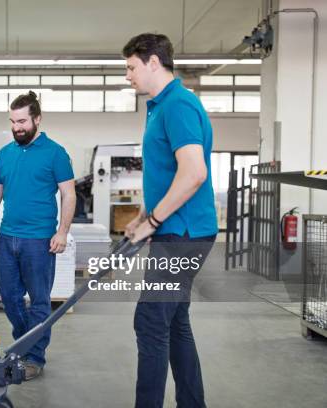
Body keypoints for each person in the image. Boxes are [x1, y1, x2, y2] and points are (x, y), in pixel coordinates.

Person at [122, 33, 218, 408]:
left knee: (150, 322)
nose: (128, 75)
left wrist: (156, 220)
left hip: (184, 233)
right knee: (174, 322)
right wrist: (144, 217)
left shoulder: (178, 104)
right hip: (176, 228)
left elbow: (194, 172)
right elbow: (168, 173)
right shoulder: (160, 106)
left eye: (131, 67)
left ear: (153, 62)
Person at [0, 91, 76, 381]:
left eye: (22, 121)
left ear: (37, 119)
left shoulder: (55, 153)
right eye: (12, 121)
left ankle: (34, 357)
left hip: (40, 241)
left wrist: (62, 232)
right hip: (7, 238)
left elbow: (69, 193)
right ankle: (23, 345)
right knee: (10, 298)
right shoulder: (6, 153)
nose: (16, 127)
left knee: (40, 301)